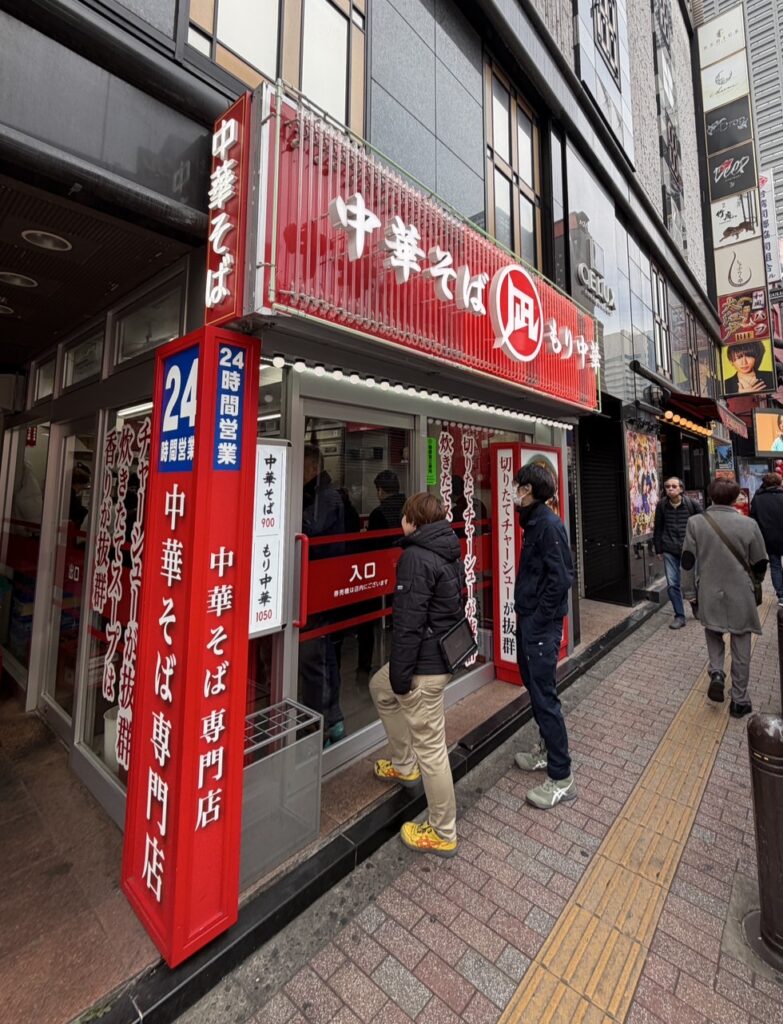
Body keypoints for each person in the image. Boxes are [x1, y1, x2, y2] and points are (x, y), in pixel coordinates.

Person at [369, 493, 465, 857]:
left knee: (432, 749)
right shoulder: (446, 549)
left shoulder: (416, 558)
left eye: (404, 515)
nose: (401, 521)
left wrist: (402, 676)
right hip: (438, 656)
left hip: (424, 667)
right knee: (380, 686)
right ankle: (402, 764)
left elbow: (408, 624)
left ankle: (443, 830)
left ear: (413, 521)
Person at [512, 463, 576, 809]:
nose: (515, 490)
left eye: (519, 485)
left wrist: (537, 619)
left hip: (540, 626)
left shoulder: (548, 526)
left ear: (531, 490)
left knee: (545, 697)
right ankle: (544, 750)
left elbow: (562, 577)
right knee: (535, 689)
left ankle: (561, 776)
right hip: (530, 622)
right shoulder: (534, 522)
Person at [681, 477, 767, 718]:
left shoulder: (695, 523)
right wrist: (756, 582)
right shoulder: (748, 524)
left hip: (709, 590)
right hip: (741, 591)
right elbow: (760, 561)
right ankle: (739, 699)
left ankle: (717, 672)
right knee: (741, 645)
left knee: (713, 633)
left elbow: (687, 562)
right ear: (735, 497)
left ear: (710, 497)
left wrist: (689, 593)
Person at [299, 445, 346, 744]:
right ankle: (334, 718)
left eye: (301, 466)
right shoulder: (318, 495)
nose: (297, 471)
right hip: (318, 586)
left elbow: (309, 529)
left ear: (314, 467)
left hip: (320, 588)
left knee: (314, 658)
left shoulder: (326, 497)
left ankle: (320, 726)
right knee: (324, 654)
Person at [653, 477, 702, 629]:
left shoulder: (692, 504)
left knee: (692, 581)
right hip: (669, 549)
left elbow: (703, 524)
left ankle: (695, 603)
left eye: (674, 486)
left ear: (681, 488)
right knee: (673, 583)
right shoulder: (661, 505)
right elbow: (658, 528)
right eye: (667, 486)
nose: (670, 489)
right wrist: (658, 548)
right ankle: (679, 616)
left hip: (689, 549)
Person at [750, 472, 783, 604]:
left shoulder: (757, 499)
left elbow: (753, 520)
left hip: (769, 538)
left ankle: (781, 595)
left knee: (775, 566)